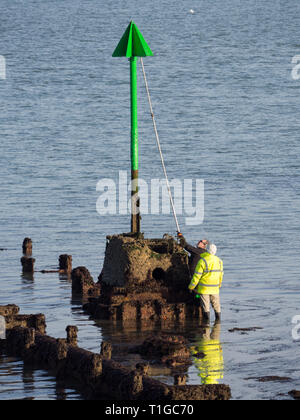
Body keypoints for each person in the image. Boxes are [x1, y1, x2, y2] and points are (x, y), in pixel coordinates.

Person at [188, 243, 223, 324]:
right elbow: (221, 275)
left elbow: (196, 276)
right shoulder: (219, 261)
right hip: (215, 289)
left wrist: (191, 287)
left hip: (204, 289)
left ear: (207, 250)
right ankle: (218, 325)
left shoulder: (202, 261)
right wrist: (219, 285)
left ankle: (206, 326)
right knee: (217, 306)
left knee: (206, 307)